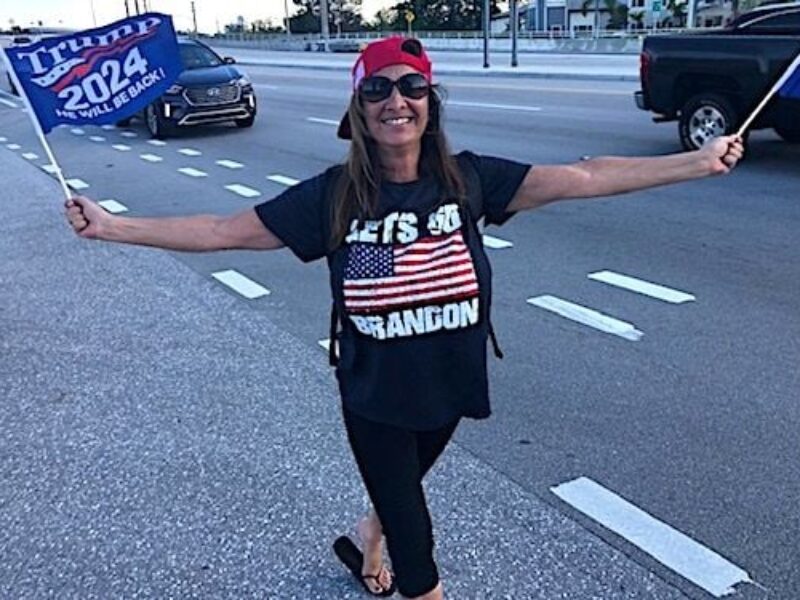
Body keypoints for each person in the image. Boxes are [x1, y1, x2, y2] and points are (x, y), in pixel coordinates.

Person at [65, 37, 744, 600]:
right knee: (418, 558)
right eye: (377, 89)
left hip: (450, 387)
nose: (397, 100)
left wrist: (696, 160)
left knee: (400, 495)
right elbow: (221, 231)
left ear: (430, 101)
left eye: (412, 86)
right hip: (377, 399)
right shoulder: (333, 197)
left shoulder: (470, 180)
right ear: (359, 110)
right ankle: (388, 541)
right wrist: (115, 227)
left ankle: (369, 534)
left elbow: (588, 176)